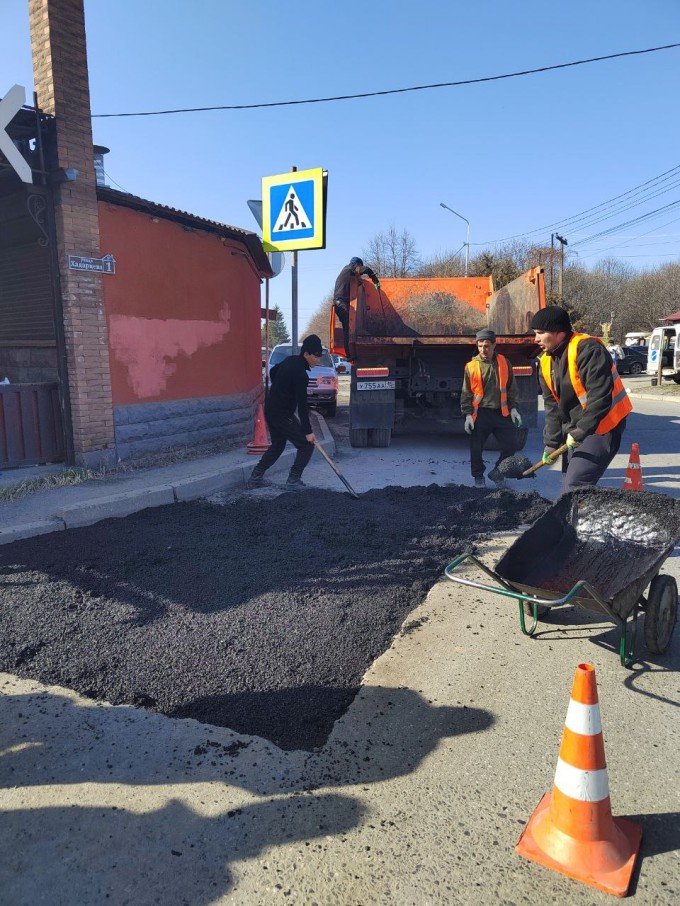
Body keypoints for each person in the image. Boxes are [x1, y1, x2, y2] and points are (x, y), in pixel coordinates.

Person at [531, 305, 632, 493]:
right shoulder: (546, 361)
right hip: (577, 427)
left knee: (575, 486)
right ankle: (573, 520)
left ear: (559, 332)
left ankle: (573, 522)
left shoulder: (588, 349)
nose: (535, 338)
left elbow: (600, 396)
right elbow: (552, 406)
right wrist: (551, 443)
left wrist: (581, 431)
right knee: (568, 481)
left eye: (540, 333)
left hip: (603, 426)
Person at [247, 334, 323, 490]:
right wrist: (308, 431)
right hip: (281, 414)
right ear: (306, 354)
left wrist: (281, 389)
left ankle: (255, 478)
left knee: (278, 445)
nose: (318, 360)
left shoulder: (289, 360)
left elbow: (273, 372)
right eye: (316, 356)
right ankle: (293, 480)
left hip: (271, 409)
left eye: (319, 356)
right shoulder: (301, 375)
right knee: (306, 445)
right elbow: (302, 406)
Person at [461, 328, 523, 488]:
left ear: (494, 345)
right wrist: (468, 415)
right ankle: (478, 476)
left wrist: (514, 408)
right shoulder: (471, 366)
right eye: (480, 345)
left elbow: (512, 388)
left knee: (511, 446)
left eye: (487, 346)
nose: (483, 349)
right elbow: (466, 392)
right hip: (480, 414)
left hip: (501, 414)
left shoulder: (504, 362)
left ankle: (498, 472)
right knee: (476, 448)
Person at [333, 257, 381, 359]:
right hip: (341, 304)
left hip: (338, 304)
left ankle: (350, 354)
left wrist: (359, 281)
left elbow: (356, 281)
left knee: (347, 329)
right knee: (348, 329)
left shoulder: (346, 272)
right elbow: (366, 269)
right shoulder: (350, 268)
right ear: (357, 264)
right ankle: (350, 354)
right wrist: (375, 280)